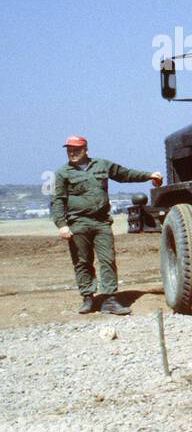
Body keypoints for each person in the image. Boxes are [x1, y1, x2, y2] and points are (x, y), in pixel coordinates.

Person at [49, 135, 162, 315]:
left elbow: (124, 174)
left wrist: (148, 175)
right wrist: (61, 225)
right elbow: (57, 201)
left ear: (86, 150)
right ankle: (88, 297)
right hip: (78, 223)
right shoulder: (62, 173)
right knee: (82, 261)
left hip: (101, 222)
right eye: (69, 150)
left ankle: (109, 299)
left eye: (76, 149)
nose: (72, 153)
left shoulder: (101, 165)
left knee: (107, 260)